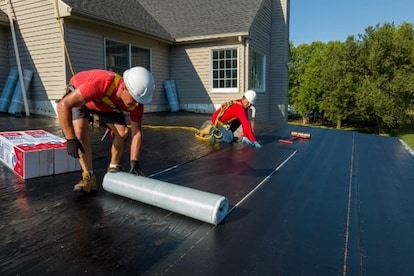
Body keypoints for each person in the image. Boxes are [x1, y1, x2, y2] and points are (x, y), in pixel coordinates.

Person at [57, 66, 155, 193]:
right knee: (80, 134)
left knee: (123, 132)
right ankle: (88, 177)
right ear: (124, 87)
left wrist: (134, 162)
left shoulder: (136, 103)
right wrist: (70, 138)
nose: (137, 104)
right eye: (135, 99)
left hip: (105, 103)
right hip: (82, 95)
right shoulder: (103, 83)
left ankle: (114, 168)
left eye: (140, 101)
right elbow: (63, 105)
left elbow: (136, 133)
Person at [196, 90, 262, 148]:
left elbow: (245, 121)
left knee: (240, 120)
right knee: (229, 139)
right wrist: (253, 140)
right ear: (244, 98)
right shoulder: (239, 108)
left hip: (223, 121)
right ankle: (209, 129)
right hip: (217, 121)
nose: (249, 105)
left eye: (251, 103)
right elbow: (246, 124)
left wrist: (245, 136)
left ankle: (228, 133)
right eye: (248, 102)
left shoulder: (242, 104)